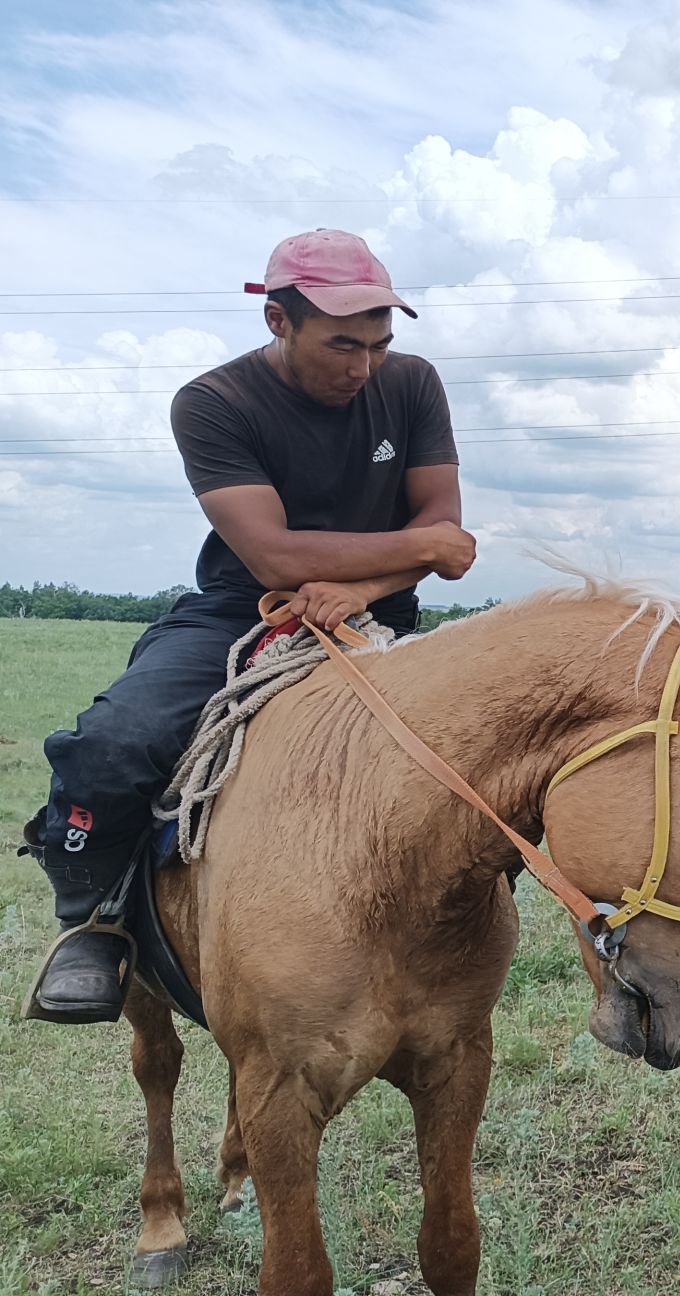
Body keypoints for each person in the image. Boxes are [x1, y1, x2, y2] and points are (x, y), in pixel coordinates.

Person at [23, 228, 476, 1023]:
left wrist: (362, 582)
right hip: (241, 608)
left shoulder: (413, 385)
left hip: (381, 613)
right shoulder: (213, 402)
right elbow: (273, 555)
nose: (361, 367)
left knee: (494, 751)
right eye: (341, 344)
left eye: (377, 344)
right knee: (114, 743)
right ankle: (93, 925)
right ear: (277, 321)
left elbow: (451, 540)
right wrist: (422, 548)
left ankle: (467, 926)